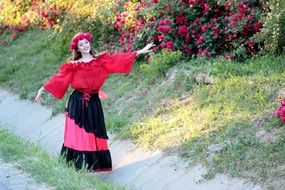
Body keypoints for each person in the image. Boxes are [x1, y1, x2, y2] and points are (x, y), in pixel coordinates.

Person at [34, 32, 154, 172]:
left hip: (94, 102)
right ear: (77, 49)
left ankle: (96, 165)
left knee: (95, 132)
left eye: (86, 42)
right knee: (80, 134)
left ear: (89, 43)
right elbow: (58, 79)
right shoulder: (73, 65)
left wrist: (140, 51)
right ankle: (77, 165)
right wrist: (41, 90)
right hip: (77, 102)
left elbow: (118, 59)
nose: (85, 45)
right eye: (81, 44)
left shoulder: (101, 60)